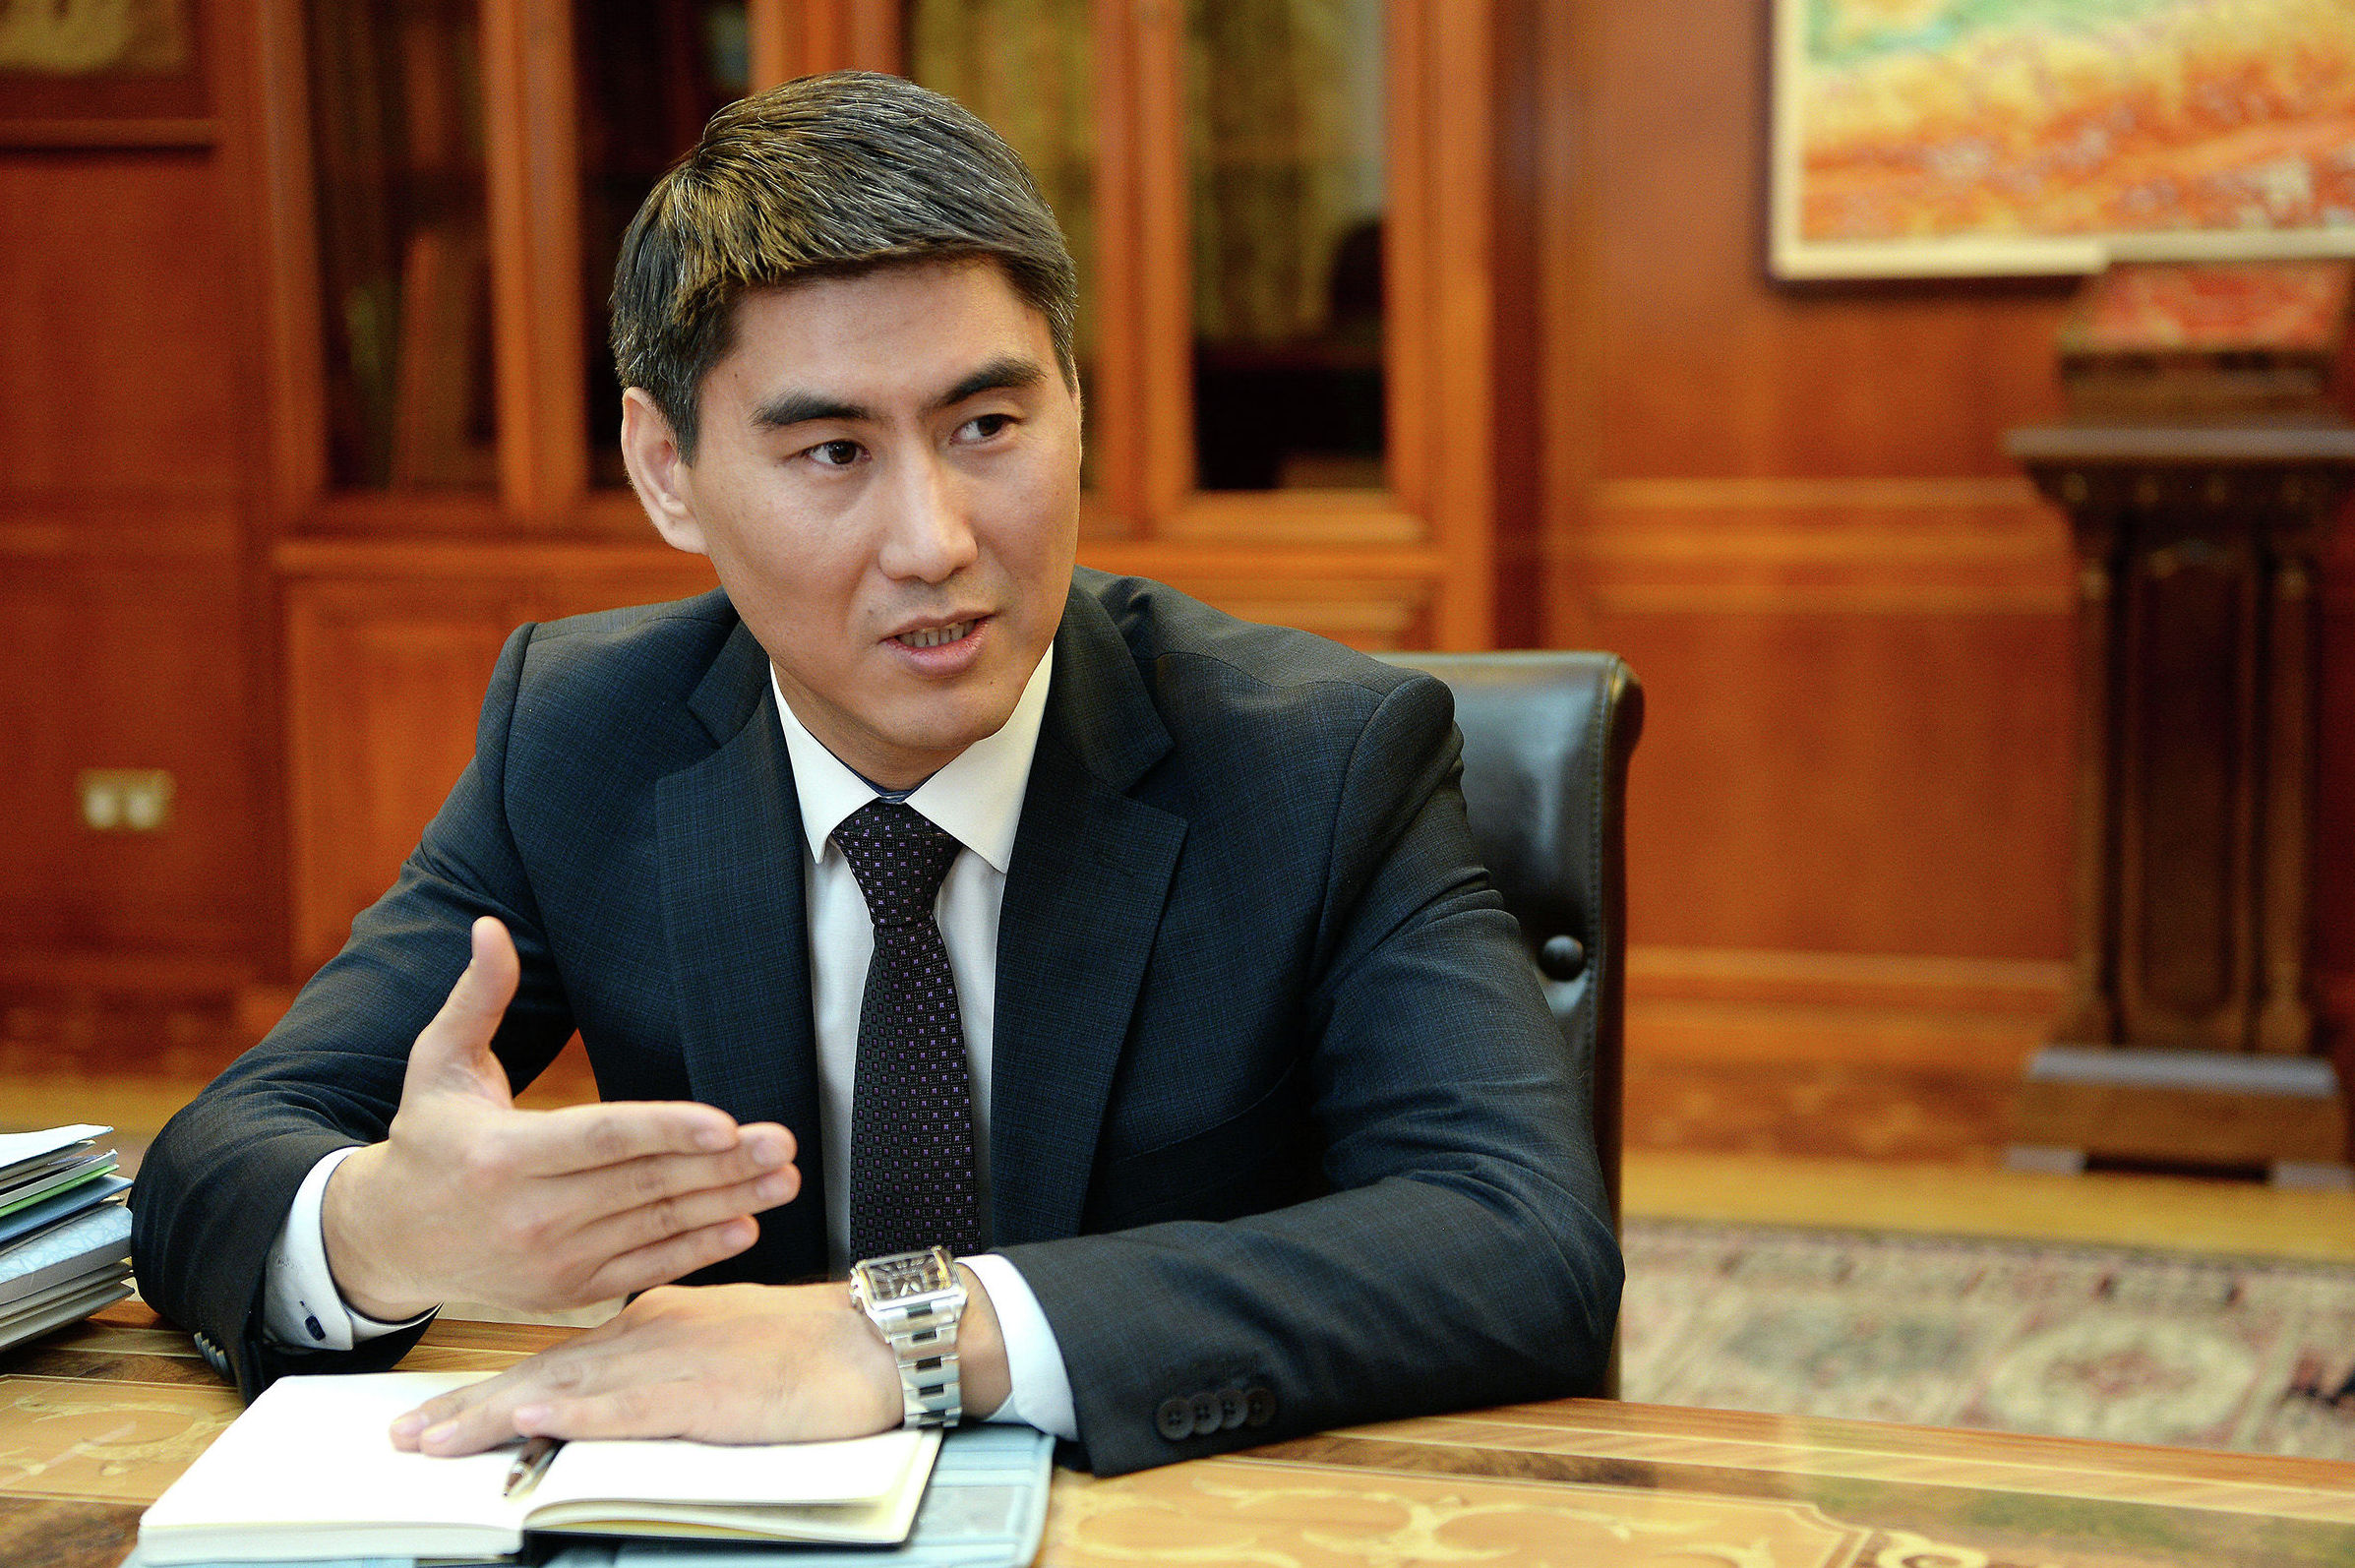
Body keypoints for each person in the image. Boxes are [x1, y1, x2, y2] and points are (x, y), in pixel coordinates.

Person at [130, 71, 1619, 1478]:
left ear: (1075, 401)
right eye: (835, 453)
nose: (936, 540)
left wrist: (908, 1333)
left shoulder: (1319, 760)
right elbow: (219, 1161)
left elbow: (1522, 1240)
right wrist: (381, 1230)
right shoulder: (586, 737)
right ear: (665, 470)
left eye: (988, 426)